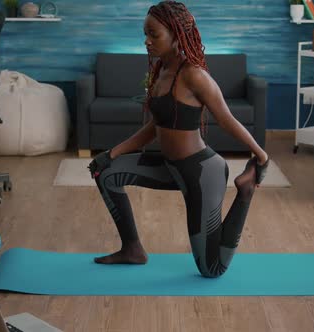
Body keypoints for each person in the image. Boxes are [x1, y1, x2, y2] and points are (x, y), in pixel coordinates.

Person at [88, 0, 269, 278]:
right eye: (145, 34)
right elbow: (154, 127)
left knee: (212, 269)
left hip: (200, 173)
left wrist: (261, 155)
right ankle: (132, 249)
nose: (147, 41)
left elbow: (226, 119)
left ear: (176, 35)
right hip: (169, 166)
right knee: (106, 172)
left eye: (154, 35)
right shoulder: (160, 71)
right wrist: (110, 154)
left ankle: (244, 192)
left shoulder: (195, 76)